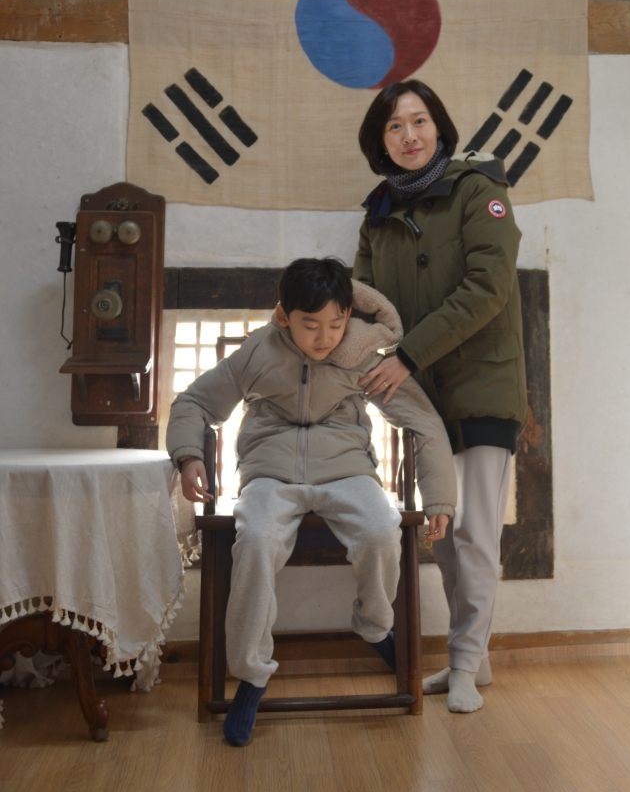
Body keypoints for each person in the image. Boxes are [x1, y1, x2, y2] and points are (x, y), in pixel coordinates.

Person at [168, 257, 455, 746]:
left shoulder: (360, 355)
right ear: (284, 316)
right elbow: (194, 402)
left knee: (381, 530)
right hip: (270, 474)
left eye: (336, 324)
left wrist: (440, 499)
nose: (325, 338)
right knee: (255, 541)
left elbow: (423, 421)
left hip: (347, 470)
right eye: (311, 325)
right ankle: (252, 674)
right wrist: (189, 455)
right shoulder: (258, 351)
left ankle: (374, 627)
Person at [354, 81, 527, 714]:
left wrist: (405, 356)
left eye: (419, 121)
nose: (410, 136)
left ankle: (461, 664)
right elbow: (365, 302)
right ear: (381, 142)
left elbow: (488, 287)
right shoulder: (377, 214)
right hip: (421, 399)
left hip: (483, 385)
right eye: (395, 127)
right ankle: (472, 660)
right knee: (446, 536)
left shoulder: (479, 191)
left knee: (476, 533)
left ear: (440, 127)